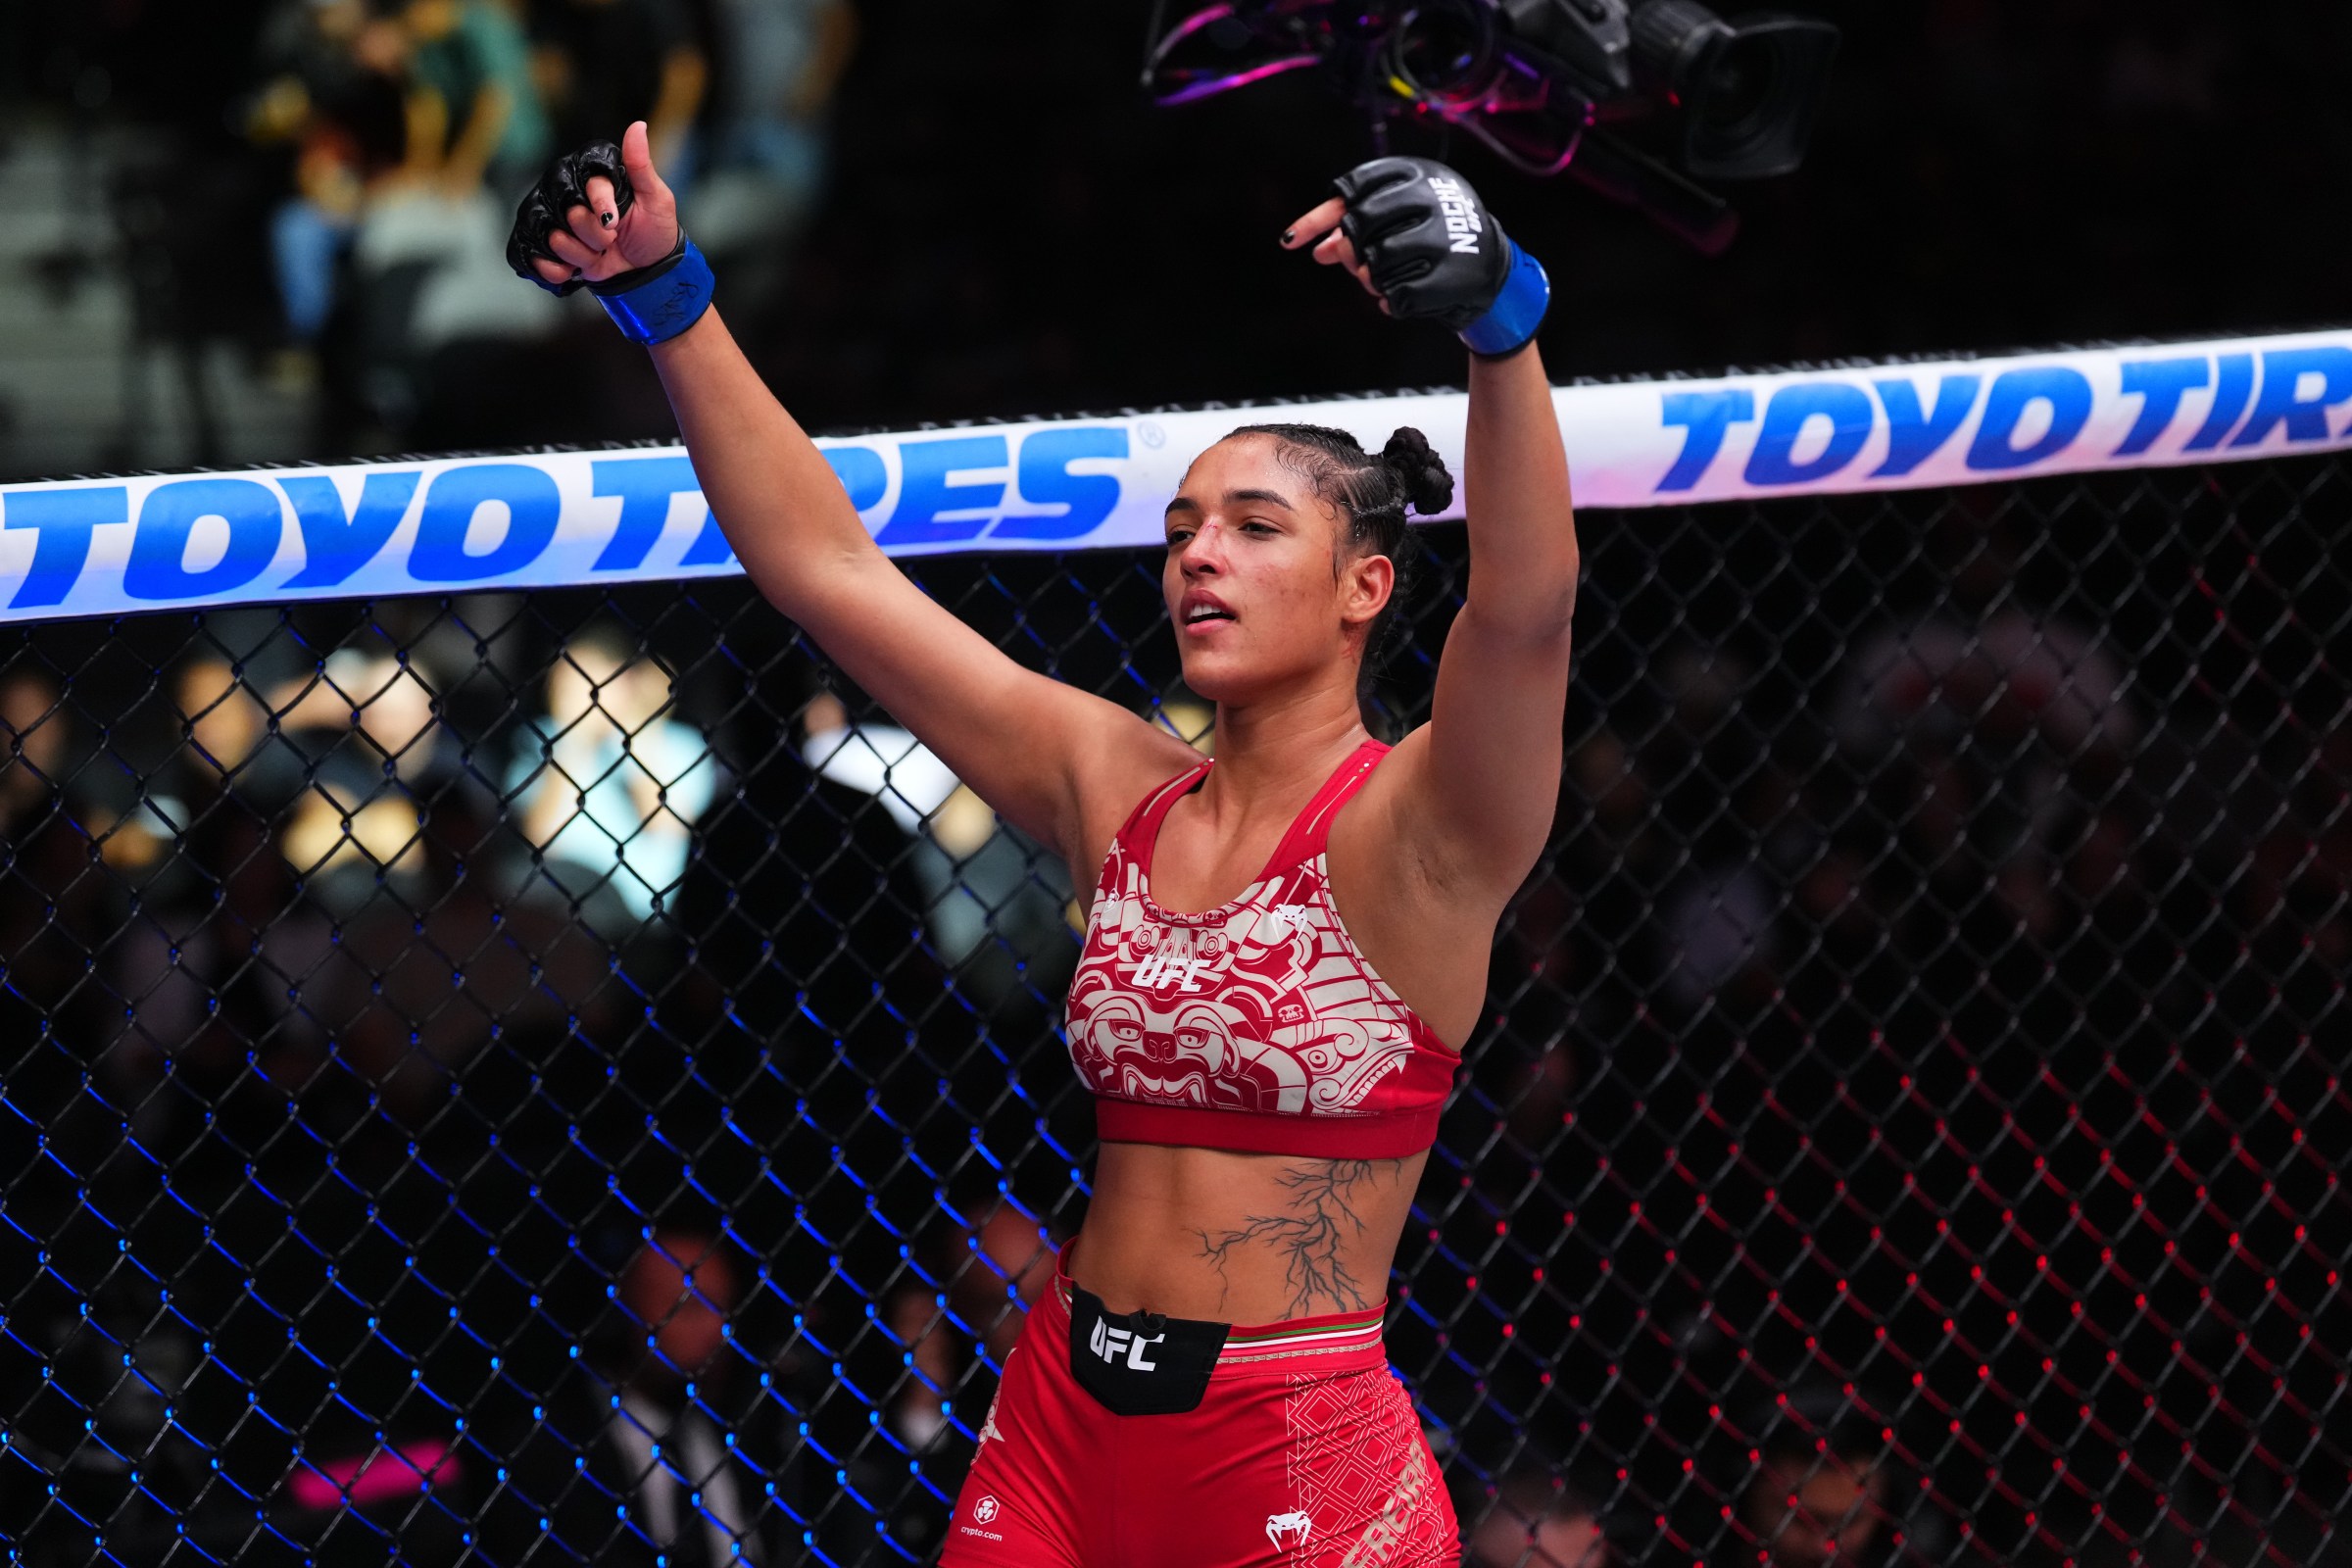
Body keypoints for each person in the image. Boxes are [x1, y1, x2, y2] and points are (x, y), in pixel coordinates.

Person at [507, 122, 1577, 1566]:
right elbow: (827, 573)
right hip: (1064, 1412)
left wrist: (1500, 327)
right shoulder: (1115, 788)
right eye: (1185, 524)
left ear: (1364, 586)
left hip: (1292, 1436)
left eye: (1255, 527)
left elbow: (1522, 611)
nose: (1198, 552)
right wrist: (671, 299)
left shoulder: (1431, 825)